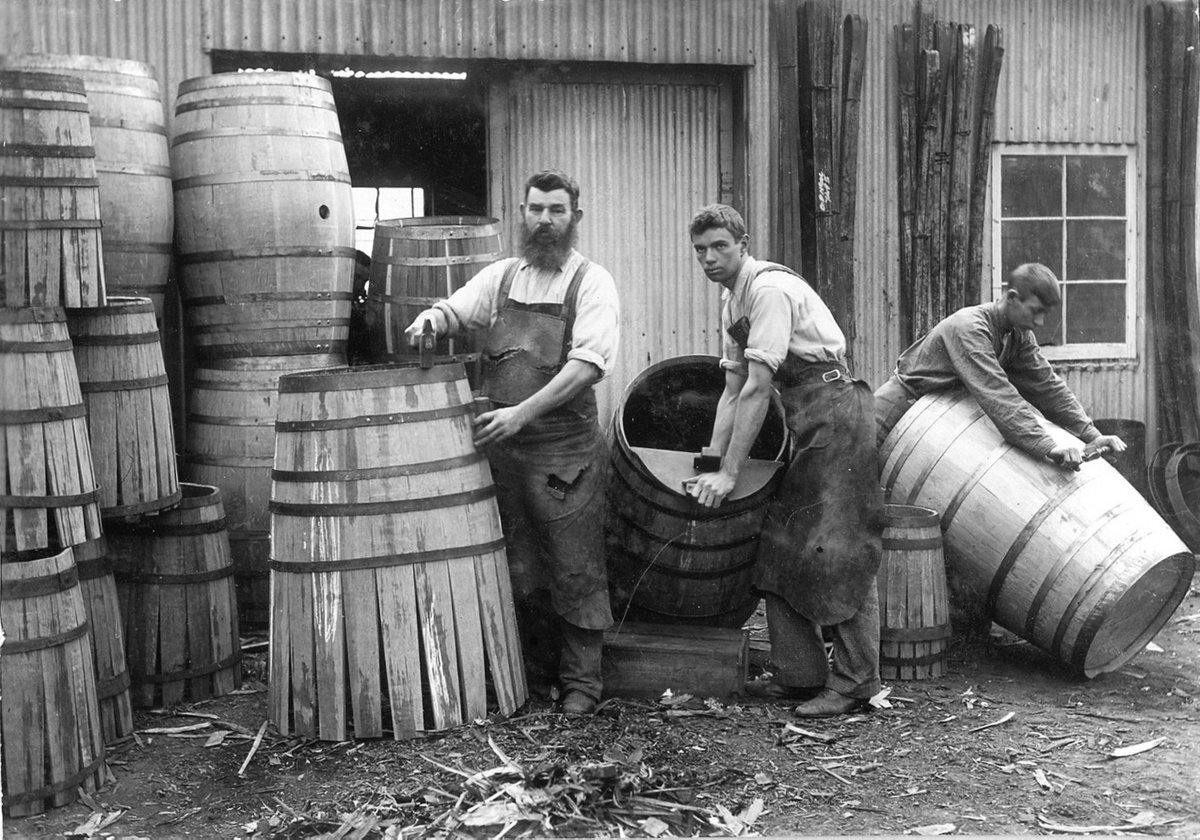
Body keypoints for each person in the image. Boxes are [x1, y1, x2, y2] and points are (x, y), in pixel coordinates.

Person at [405, 170, 619, 716]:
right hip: (506, 450)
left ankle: (582, 686)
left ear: (576, 217)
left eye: (556, 211)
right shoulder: (501, 279)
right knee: (519, 568)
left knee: (575, 568)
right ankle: (533, 674)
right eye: (535, 209)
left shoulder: (591, 283)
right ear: (522, 213)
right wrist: (432, 317)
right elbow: (457, 309)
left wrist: (521, 414)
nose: (544, 221)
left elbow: (587, 367)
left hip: (563, 452)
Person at [685, 204, 884, 718]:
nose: (709, 258)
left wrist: (732, 472)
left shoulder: (769, 291)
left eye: (719, 247)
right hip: (805, 415)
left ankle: (855, 683)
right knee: (779, 542)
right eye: (701, 250)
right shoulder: (734, 303)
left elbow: (757, 387)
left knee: (836, 547)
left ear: (743, 243)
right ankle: (799, 677)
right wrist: (710, 460)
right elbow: (731, 392)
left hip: (837, 411)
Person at [874, 263, 1126, 465]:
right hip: (894, 412)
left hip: (929, 421)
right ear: (1013, 298)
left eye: (1044, 315)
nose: (1039, 322)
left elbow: (1048, 387)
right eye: (1035, 311)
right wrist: (1048, 446)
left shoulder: (1019, 336)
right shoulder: (970, 328)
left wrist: (1091, 434)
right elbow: (998, 394)